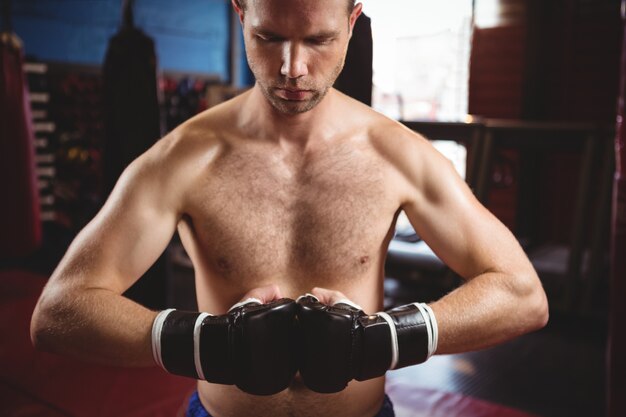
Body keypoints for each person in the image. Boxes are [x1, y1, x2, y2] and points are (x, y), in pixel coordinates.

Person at [30, 0, 549, 416]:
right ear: (240, 14)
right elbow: (59, 312)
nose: (292, 68)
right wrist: (206, 344)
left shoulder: (398, 156)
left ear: (352, 22)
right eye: (269, 36)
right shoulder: (181, 160)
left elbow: (522, 294)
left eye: (318, 39)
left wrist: (383, 339)